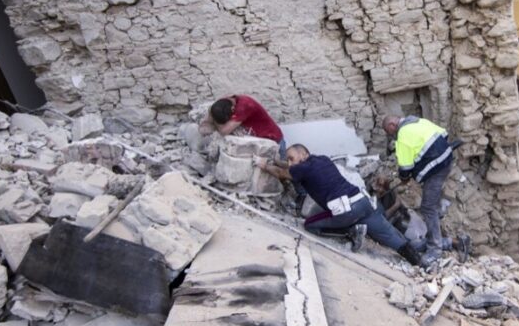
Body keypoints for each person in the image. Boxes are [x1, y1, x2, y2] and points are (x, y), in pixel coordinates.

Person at [254, 144, 440, 268]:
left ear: (304, 154)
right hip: (364, 202)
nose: (290, 162)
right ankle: (420, 263)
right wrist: (280, 161)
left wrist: (263, 165)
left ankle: (350, 231)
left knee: (310, 224)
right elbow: (288, 167)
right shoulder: (322, 159)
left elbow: (282, 173)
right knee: (390, 236)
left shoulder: (302, 168)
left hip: (347, 210)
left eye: (292, 158)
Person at [382, 115, 471, 260]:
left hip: (436, 169)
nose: (391, 135)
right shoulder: (418, 121)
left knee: (427, 208)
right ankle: (447, 237)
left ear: (392, 125)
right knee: (432, 204)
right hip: (446, 160)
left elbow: (405, 168)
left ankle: (435, 250)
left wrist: (404, 179)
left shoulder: (403, 136)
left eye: (389, 132)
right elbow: (443, 134)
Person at [199, 95, 286, 159]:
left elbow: (224, 131)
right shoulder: (224, 103)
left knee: (282, 176)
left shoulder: (244, 107)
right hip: (260, 142)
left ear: (233, 110)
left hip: (274, 142)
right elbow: (203, 128)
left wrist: (214, 119)